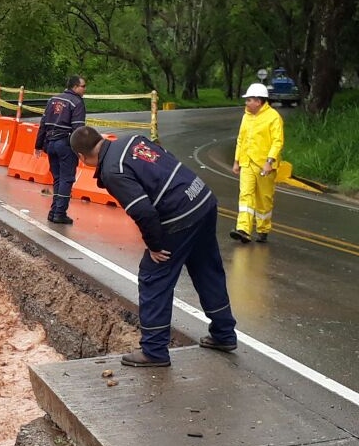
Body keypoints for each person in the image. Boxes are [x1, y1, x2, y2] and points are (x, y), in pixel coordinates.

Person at [69, 126, 238, 367]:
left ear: (81, 157)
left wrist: (155, 246)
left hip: (179, 215)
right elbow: (164, 159)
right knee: (206, 269)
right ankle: (224, 333)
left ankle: (154, 350)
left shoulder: (112, 170)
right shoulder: (131, 140)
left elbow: (143, 211)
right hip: (202, 198)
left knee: (153, 276)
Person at [230, 83, 284, 244]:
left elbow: (277, 142)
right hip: (247, 162)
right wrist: (236, 161)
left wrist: (269, 161)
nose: (246, 103)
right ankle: (243, 229)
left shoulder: (273, 117)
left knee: (264, 199)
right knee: (245, 195)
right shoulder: (246, 116)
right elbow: (241, 139)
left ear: (259, 101)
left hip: (264, 165)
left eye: (249, 100)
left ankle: (263, 229)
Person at [34, 75, 87, 224]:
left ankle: (53, 211)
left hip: (50, 144)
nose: (85, 89)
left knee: (58, 178)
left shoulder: (53, 100)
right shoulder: (77, 102)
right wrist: (81, 150)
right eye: (83, 86)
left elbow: (43, 123)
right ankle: (59, 213)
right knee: (67, 179)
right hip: (65, 144)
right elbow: (78, 129)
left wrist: (38, 145)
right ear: (75, 87)